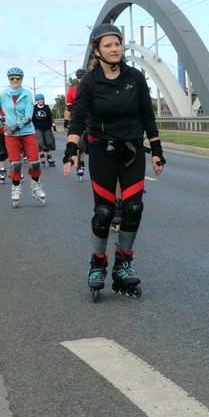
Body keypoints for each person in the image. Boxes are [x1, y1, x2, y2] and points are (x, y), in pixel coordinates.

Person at [63, 24, 165, 300]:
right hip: (101, 150)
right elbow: (78, 116)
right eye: (108, 45)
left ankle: (123, 264)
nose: (115, 49)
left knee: (133, 207)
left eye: (118, 43)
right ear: (97, 50)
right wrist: (71, 148)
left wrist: (156, 149)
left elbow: (147, 115)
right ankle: (97, 264)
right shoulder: (90, 81)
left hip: (131, 149)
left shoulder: (135, 77)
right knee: (105, 212)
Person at [0, 68, 47, 206]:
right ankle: (15, 188)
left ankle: (36, 186)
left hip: (27, 131)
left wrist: (14, 127)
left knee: (34, 162)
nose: (15, 80)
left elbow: (28, 116)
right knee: (15, 164)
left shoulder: (27, 94)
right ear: (9, 79)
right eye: (12, 78)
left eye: (18, 78)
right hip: (10, 135)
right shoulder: (3, 95)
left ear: (22, 79)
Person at [65, 68, 87, 178]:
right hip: (78, 121)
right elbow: (68, 108)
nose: (81, 79)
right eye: (79, 77)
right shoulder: (72, 91)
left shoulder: (93, 88)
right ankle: (81, 164)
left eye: (83, 76)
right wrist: (66, 121)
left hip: (92, 121)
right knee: (80, 144)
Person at [32, 93, 57, 167]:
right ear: (36, 101)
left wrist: (54, 129)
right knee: (40, 141)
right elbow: (31, 119)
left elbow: (51, 118)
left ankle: (49, 158)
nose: (40, 101)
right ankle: (42, 156)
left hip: (47, 127)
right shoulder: (34, 108)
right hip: (37, 128)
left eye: (41, 99)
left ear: (43, 100)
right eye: (38, 100)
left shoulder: (46, 107)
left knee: (49, 142)